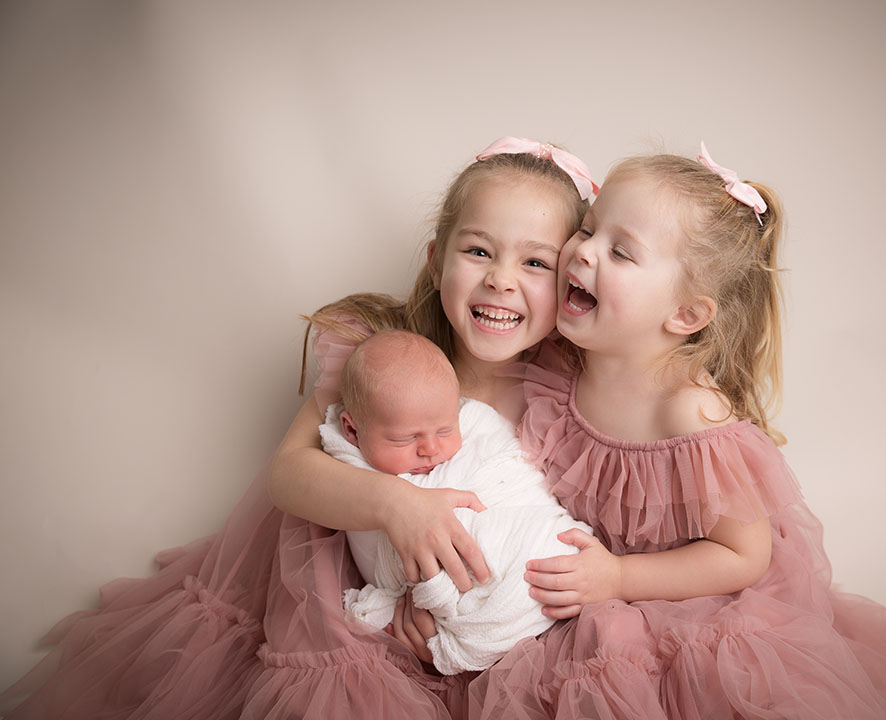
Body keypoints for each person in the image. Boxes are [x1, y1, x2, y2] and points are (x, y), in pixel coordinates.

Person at [0, 136, 595, 719]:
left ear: (571, 283)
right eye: (479, 251)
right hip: (341, 597)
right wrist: (395, 505)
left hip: (496, 623)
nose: (501, 280)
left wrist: (449, 611)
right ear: (437, 259)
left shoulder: (572, 390)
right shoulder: (381, 357)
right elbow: (288, 474)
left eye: (535, 262)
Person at [466, 145, 886, 719]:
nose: (583, 251)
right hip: (585, 589)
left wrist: (619, 575)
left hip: (691, 599)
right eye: (589, 228)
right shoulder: (558, 371)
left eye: (620, 251)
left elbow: (741, 556)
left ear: (686, 316)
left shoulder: (691, 415)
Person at [321, 329, 590, 675]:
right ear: (353, 431)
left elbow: (519, 482)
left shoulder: (479, 425)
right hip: (433, 623)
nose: (431, 449)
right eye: (406, 438)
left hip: (546, 581)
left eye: (445, 430)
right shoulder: (350, 466)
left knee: (542, 546)